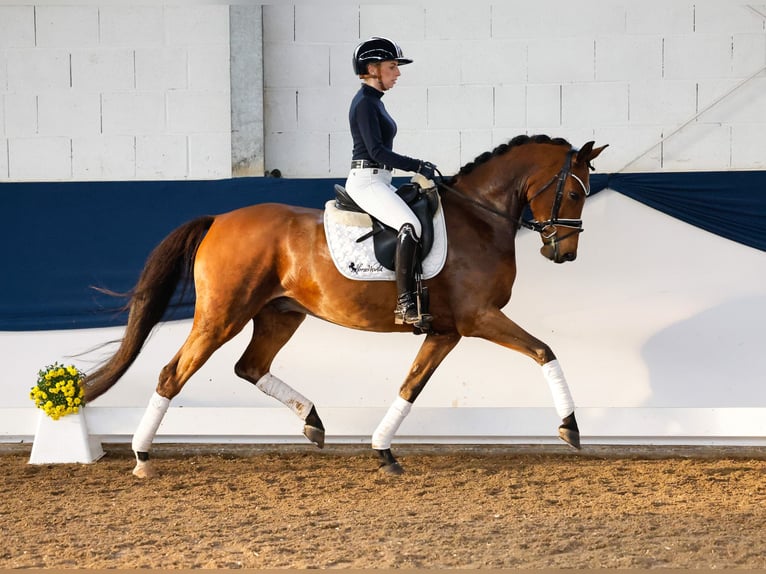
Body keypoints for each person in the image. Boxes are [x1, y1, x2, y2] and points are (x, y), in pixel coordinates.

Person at [345, 36, 437, 325]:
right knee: (410, 226)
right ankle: (405, 303)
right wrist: (417, 165)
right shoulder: (364, 104)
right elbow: (377, 151)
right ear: (373, 69)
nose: (398, 73)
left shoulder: (375, 102)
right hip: (366, 181)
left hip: (380, 179)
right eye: (393, 67)